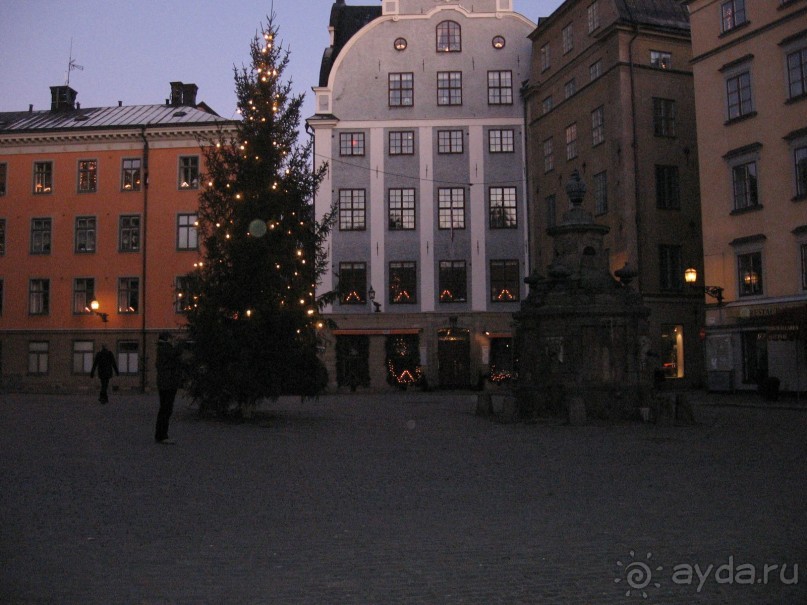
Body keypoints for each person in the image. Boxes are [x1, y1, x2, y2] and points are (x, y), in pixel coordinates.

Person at [154, 331, 182, 444]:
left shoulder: (162, 348)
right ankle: (162, 436)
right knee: (166, 409)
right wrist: (180, 342)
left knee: (164, 409)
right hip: (167, 383)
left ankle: (160, 434)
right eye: (171, 338)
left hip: (165, 382)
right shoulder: (165, 348)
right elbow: (175, 353)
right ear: (167, 339)